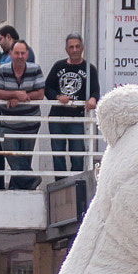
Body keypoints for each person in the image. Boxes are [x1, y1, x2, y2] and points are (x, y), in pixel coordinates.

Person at [0, 39, 44, 190]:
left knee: (25, 158)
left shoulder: (35, 69)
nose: (20, 56)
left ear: (27, 55)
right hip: (9, 123)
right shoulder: (2, 70)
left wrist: (22, 97)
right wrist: (14, 95)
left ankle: (18, 187)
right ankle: (30, 178)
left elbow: (40, 94)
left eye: (23, 53)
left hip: (30, 122)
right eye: (17, 53)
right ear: (11, 54)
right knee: (10, 153)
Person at [43, 35, 99, 175]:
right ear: (66, 49)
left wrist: (92, 99)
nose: (74, 50)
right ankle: (60, 187)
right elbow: (47, 87)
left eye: (77, 46)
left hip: (77, 118)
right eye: (71, 47)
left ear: (82, 48)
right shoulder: (59, 66)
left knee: (77, 155)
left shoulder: (89, 68)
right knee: (58, 155)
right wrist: (57, 97)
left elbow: (95, 91)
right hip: (57, 117)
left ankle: (76, 185)